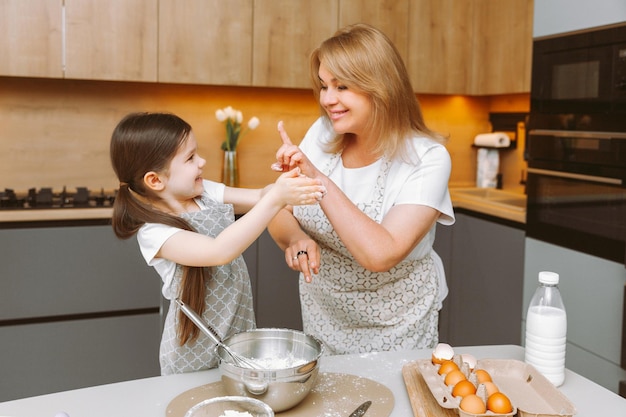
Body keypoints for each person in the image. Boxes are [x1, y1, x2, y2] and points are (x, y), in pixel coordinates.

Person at [268, 23, 455, 355]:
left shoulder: (427, 158)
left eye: (341, 86)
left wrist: (320, 180)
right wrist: (295, 239)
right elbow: (280, 209)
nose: (327, 99)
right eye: (324, 86)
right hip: (323, 316)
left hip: (399, 327)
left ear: (381, 87)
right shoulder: (323, 134)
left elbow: (380, 253)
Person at [109, 112, 325, 374]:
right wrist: (276, 198)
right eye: (190, 158)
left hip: (237, 329)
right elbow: (219, 251)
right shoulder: (155, 231)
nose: (202, 162)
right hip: (193, 349)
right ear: (155, 180)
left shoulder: (205, 192)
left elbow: (260, 196)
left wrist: (286, 181)